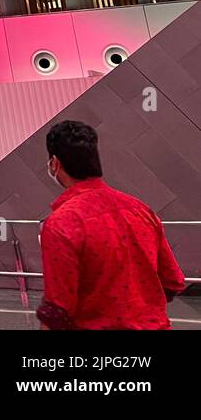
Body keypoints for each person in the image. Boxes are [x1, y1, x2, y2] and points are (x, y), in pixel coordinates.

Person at [36, 120, 186, 330]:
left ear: (54, 163)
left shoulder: (62, 222)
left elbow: (57, 312)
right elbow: (173, 281)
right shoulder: (141, 210)